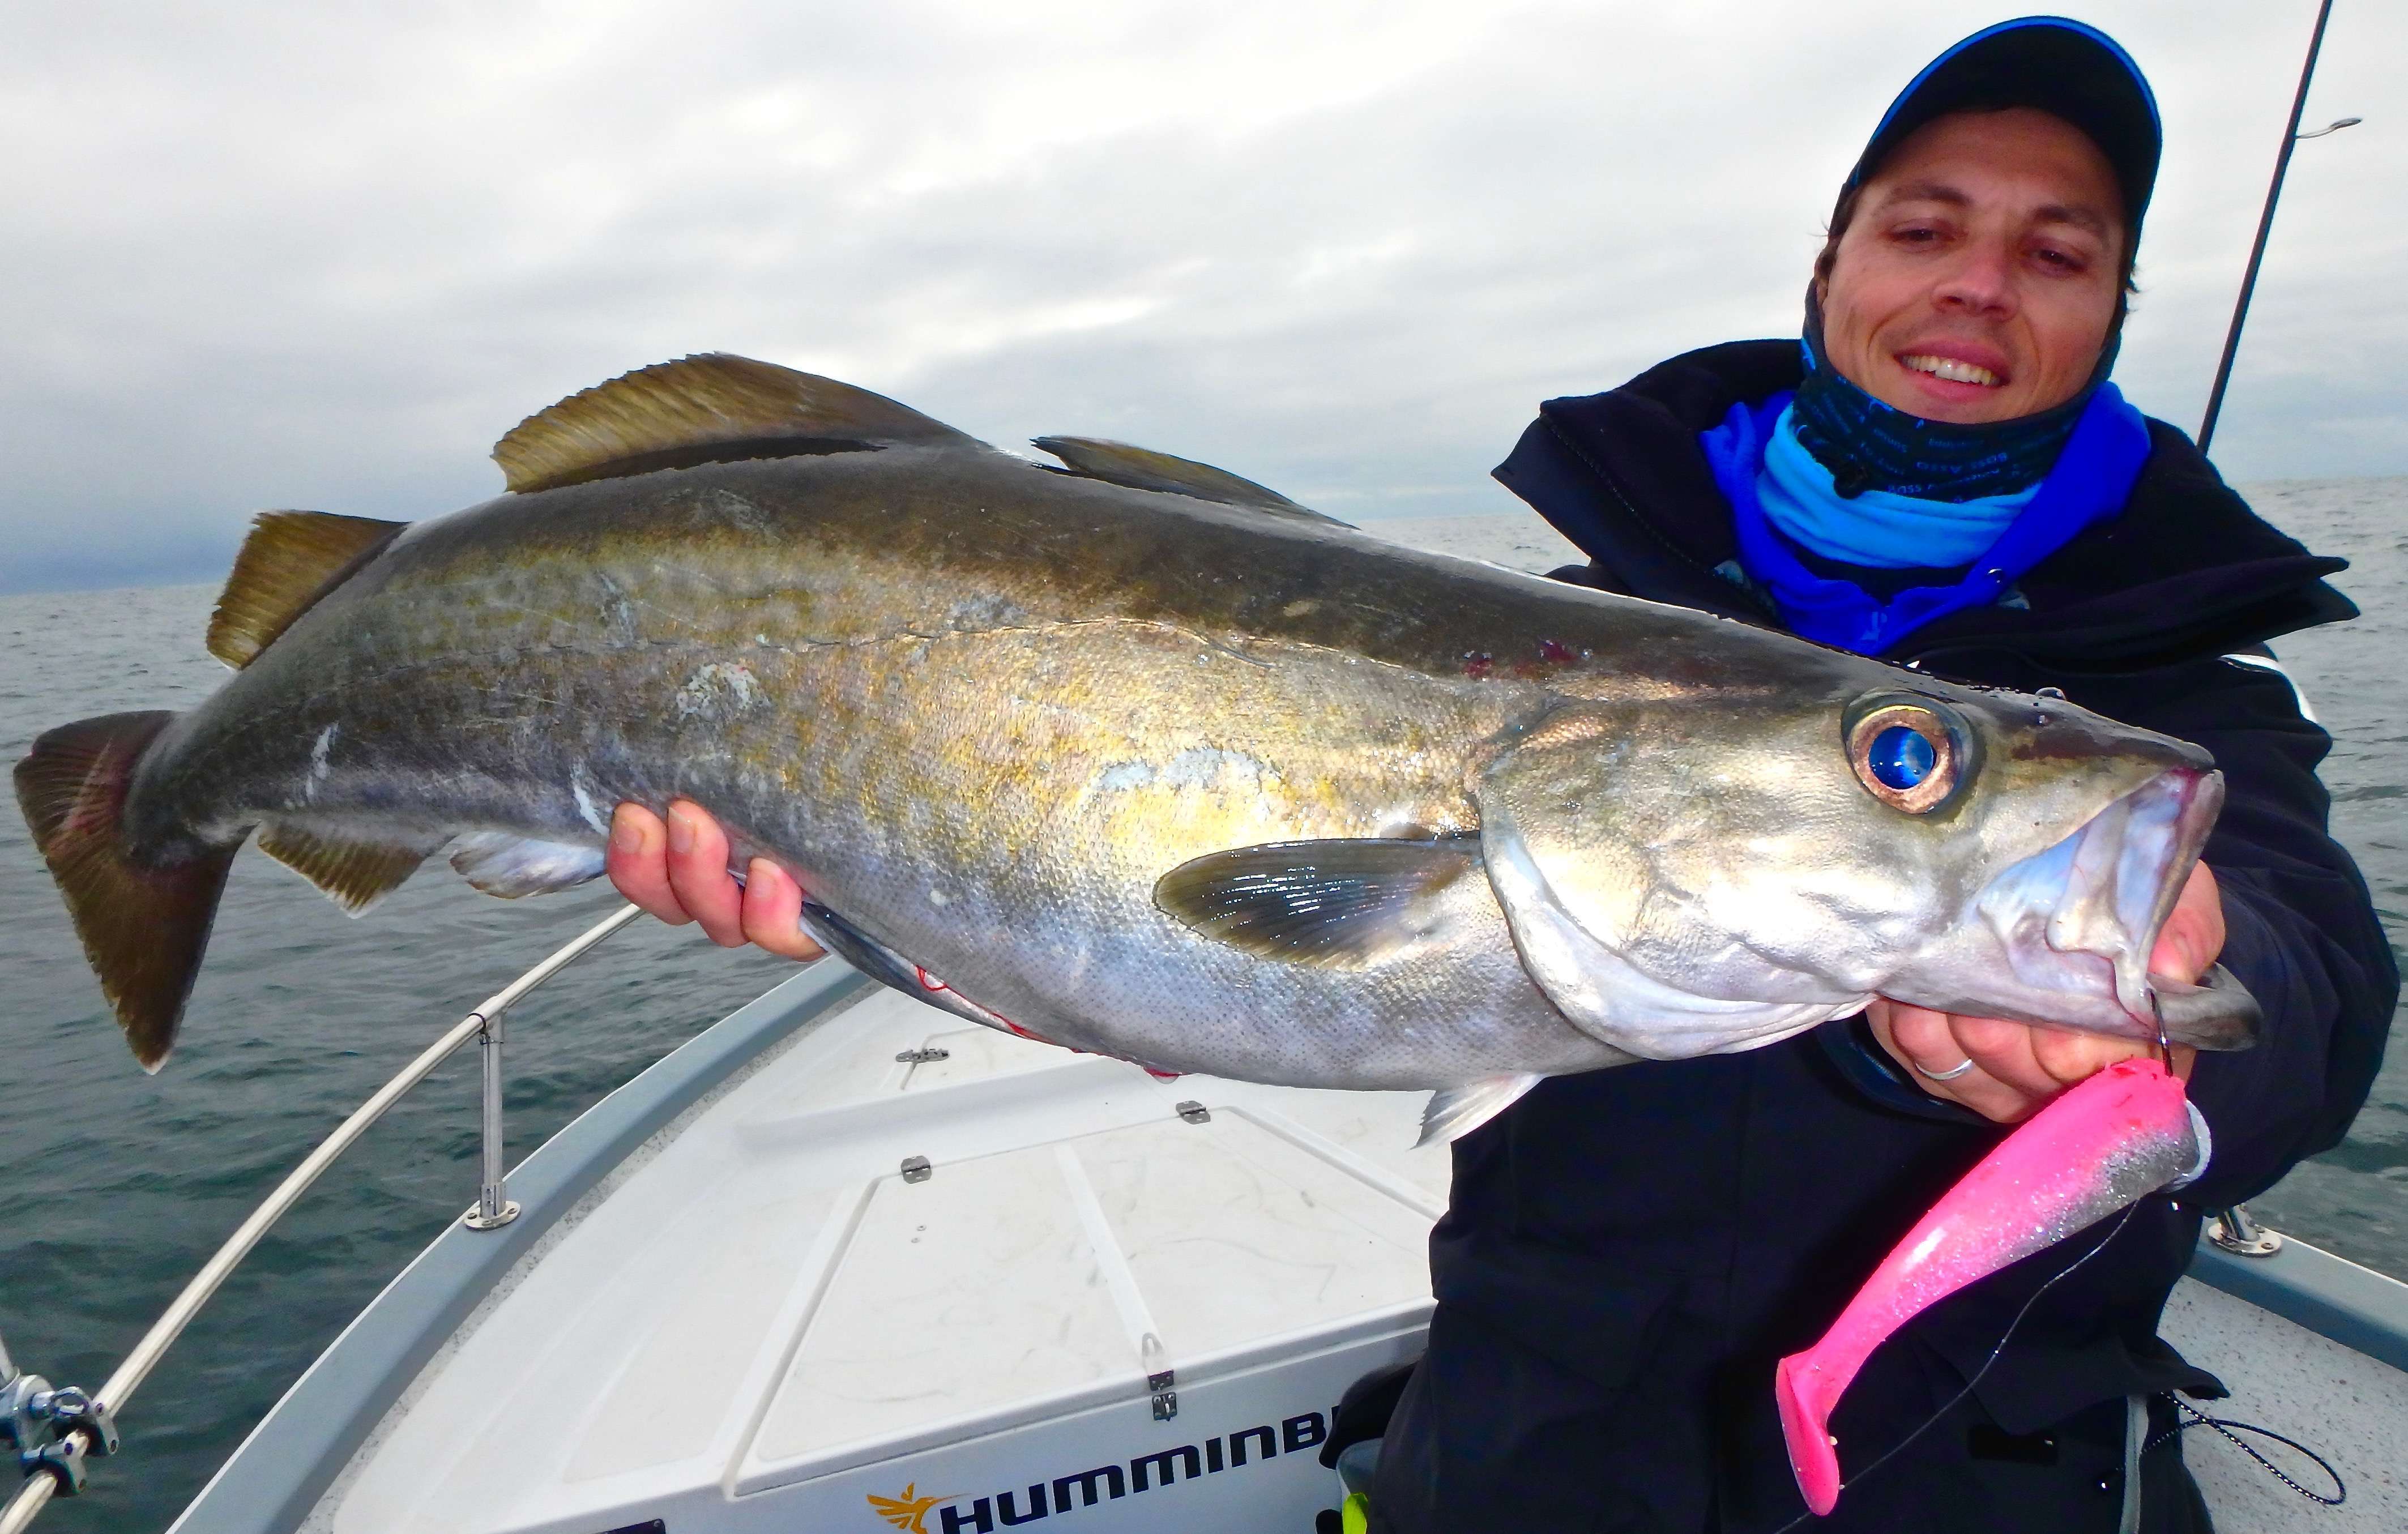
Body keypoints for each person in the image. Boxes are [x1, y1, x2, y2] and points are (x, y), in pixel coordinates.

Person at [605, 18, 2396, 1531]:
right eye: (1923, 225)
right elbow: (1171, 937)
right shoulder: (1578, 634)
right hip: (1528, 1445)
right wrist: (885, 880)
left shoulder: (2173, 696)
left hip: (1976, 1467)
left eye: (2057, 250)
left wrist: (2191, 981)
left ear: (2105, 315)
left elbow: (2307, 1009)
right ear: (1830, 272)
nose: (1977, 284)